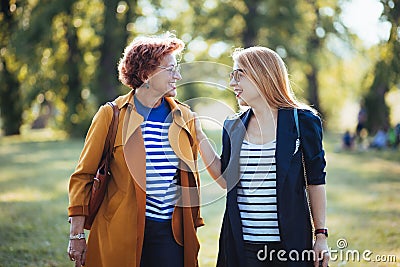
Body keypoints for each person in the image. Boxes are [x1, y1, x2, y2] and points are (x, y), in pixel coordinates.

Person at [67, 32, 204, 267]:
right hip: (121, 232)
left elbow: (189, 177)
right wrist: (77, 236)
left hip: (172, 236)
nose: (178, 76)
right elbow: (83, 177)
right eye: (170, 69)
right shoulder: (111, 115)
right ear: (146, 75)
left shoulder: (184, 117)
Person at [194, 46, 329, 267]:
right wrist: (199, 136)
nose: (232, 83)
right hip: (242, 246)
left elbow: (315, 181)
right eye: (232, 76)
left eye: (239, 75)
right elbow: (226, 180)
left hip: (289, 247)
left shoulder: (303, 120)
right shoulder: (233, 124)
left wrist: (321, 235)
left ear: (261, 74)